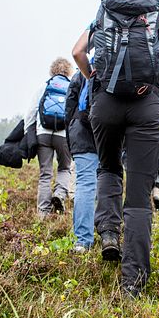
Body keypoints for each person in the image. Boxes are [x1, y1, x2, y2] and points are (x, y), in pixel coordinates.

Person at [72, 0, 159, 297]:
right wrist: (152, 84)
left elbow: (78, 51)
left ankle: (107, 233)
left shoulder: (107, 10)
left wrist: (95, 78)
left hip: (105, 104)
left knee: (107, 167)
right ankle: (132, 283)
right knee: (138, 198)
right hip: (145, 107)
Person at [26, 58, 74, 217]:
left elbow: (30, 114)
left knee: (45, 174)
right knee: (64, 168)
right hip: (63, 135)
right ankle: (60, 194)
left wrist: (29, 135)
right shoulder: (72, 87)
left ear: (52, 71)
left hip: (43, 134)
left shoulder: (44, 87)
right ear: (69, 71)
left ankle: (43, 214)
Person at [64, 70, 97, 252]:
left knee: (85, 184)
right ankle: (105, 232)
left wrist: (71, 133)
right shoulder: (116, 68)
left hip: (81, 131)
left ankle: (83, 240)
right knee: (106, 184)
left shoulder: (81, 73)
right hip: (107, 134)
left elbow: (69, 107)